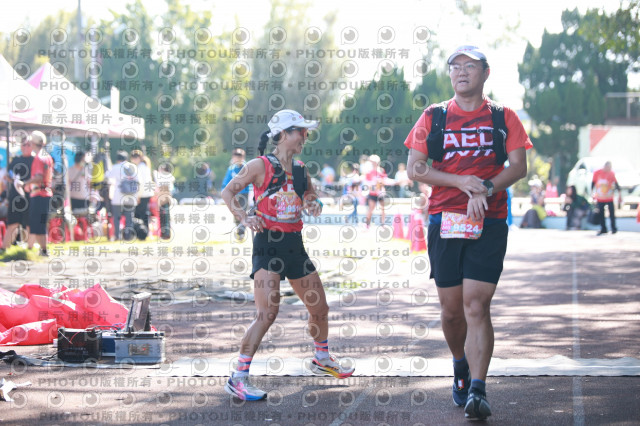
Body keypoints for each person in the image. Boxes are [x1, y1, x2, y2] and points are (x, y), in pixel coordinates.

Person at [404, 45, 532, 420]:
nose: (461, 71)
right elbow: (415, 167)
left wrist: (486, 189)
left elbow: (519, 166)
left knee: (476, 304)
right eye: (455, 66)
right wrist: (462, 183)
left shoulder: (503, 116)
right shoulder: (434, 116)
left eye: (470, 66)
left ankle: (478, 388)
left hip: (489, 220)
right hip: (444, 220)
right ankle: (459, 362)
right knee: (451, 311)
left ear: (485, 73)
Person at [221, 109, 354, 401]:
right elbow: (228, 192)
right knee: (267, 312)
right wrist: (244, 217)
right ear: (283, 134)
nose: (305, 137)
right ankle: (238, 377)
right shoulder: (258, 165)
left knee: (319, 307)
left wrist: (314, 204)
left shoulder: (301, 169)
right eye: (300, 131)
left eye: (306, 132)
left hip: (294, 244)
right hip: (268, 244)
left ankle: (322, 358)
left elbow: (310, 196)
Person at [19, 131, 54, 256]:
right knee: (40, 223)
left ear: (33, 143)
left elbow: (38, 177)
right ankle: (42, 250)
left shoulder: (39, 158)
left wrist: (25, 183)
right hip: (45, 193)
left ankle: (43, 250)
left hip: (39, 194)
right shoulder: (46, 156)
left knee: (37, 224)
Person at [2, 135, 33, 252]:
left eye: (28, 145)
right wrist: (11, 179)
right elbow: (8, 175)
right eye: (24, 145)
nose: (26, 147)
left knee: (30, 224)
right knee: (13, 223)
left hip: (30, 196)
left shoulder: (36, 160)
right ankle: (4, 249)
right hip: (15, 197)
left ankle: (29, 249)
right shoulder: (15, 160)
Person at [104, 151, 138, 241]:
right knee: (129, 217)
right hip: (131, 196)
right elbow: (138, 181)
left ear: (118, 159)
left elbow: (107, 176)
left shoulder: (116, 167)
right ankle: (128, 236)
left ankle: (117, 236)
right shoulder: (133, 167)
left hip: (118, 196)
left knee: (117, 218)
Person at [222, 148, 250, 238]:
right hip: (234, 195)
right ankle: (239, 228)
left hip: (244, 194)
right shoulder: (231, 169)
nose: (237, 159)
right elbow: (226, 181)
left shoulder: (247, 167)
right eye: (235, 157)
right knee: (236, 212)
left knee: (243, 211)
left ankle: (241, 231)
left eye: (239, 157)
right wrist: (224, 191)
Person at [592, 160, 621, 235]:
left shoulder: (611, 173)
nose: (609, 169)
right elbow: (593, 183)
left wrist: (619, 194)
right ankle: (603, 228)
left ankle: (613, 228)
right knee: (601, 213)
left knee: (612, 213)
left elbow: (616, 183)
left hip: (609, 197)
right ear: (605, 166)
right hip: (600, 197)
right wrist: (592, 194)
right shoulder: (597, 172)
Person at [131, 150, 154, 236]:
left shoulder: (139, 168)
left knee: (139, 214)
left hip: (142, 194)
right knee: (145, 213)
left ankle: (141, 231)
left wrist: (138, 196)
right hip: (147, 193)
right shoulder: (145, 166)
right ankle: (145, 231)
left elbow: (140, 183)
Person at [363, 155, 390, 228]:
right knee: (371, 209)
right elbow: (367, 183)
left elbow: (385, 180)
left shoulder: (381, 170)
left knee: (383, 209)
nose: (373, 163)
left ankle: (383, 224)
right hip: (372, 193)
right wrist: (373, 186)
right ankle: (367, 224)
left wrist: (380, 183)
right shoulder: (369, 172)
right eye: (372, 162)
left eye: (374, 162)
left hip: (380, 193)